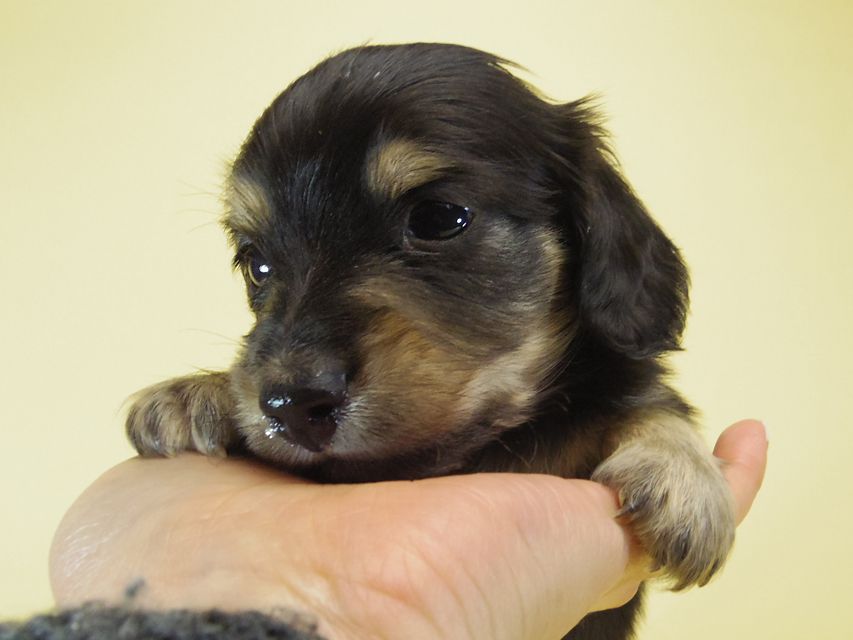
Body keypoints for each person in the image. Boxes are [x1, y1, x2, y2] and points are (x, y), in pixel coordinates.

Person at [38, 420, 766, 640]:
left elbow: (632, 394)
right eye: (261, 265)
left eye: (438, 220)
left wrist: (664, 440)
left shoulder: (615, 407)